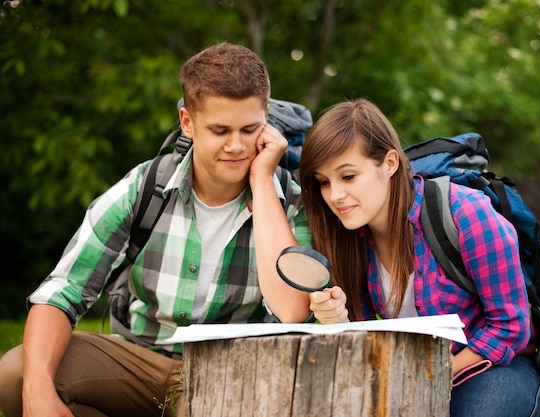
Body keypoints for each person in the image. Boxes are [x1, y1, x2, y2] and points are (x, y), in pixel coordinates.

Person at [0, 42, 313, 417]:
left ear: (266, 118)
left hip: (230, 370)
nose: (237, 146)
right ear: (188, 123)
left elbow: (293, 310)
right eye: (219, 130)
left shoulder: (290, 200)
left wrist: (263, 181)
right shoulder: (144, 187)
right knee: (17, 375)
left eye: (250, 129)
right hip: (137, 358)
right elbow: (62, 292)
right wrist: (37, 393)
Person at [298, 98, 540, 417]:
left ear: (389, 163)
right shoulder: (349, 238)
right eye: (323, 182)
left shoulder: (466, 214)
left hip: (492, 367)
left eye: (348, 177)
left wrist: (431, 379)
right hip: (405, 374)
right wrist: (338, 320)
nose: (334, 195)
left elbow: (511, 326)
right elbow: (363, 342)